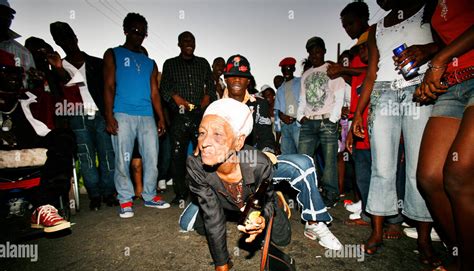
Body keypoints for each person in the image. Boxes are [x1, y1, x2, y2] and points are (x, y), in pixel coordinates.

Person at [181, 55, 341, 250]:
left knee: (304, 163)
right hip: (220, 172)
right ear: (225, 79)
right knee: (187, 224)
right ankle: (218, 203)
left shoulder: (260, 103)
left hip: (256, 166)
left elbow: (266, 137)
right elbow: (203, 140)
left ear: (249, 80)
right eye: (232, 76)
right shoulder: (214, 105)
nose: (237, 80)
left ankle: (314, 222)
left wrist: (263, 164)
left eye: (242, 76)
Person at [351, 0, 438, 256]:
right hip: (382, 93)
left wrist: (428, 49)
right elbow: (371, 74)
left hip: (419, 88)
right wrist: (358, 113)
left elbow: (449, 41)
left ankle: (423, 239)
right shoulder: (377, 28)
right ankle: (377, 232)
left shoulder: (428, 7)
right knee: (382, 166)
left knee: (416, 167)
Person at [188, 98, 291, 271]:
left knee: (282, 238)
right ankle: (203, 207)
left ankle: (277, 196)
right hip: (222, 203)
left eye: (217, 134)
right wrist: (222, 268)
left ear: (238, 141)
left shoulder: (260, 164)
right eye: (202, 133)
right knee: (201, 227)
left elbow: (264, 204)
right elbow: (212, 216)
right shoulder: (195, 165)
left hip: (254, 202)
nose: (205, 142)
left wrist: (261, 218)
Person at [413, 0, 474, 271]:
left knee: (459, 174)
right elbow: (446, 42)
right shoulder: (434, 6)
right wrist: (432, 58)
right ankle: (462, 257)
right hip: (453, 83)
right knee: (429, 176)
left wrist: (439, 61)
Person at [0, 49, 74, 232]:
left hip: (30, 140)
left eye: (17, 74)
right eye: (7, 73)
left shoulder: (30, 97)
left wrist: (53, 73)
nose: (13, 78)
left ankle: (43, 207)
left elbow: (62, 101)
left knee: (64, 137)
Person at [103, 12, 169, 218]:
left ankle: (149, 195)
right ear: (126, 31)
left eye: (142, 32)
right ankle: (125, 199)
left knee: (152, 156)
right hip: (122, 114)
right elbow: (108, 86)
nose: (139, 35)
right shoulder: (113, 54)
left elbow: (155, 93)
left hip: (146, 115)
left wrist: (161, 118)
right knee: (122, 159)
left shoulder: (150, 62)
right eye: (135, 31)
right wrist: (108, 116)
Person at [49, 21, 117, 211]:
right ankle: (94, 195)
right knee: (85, 157)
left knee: (107, 154)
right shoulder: (57, 67)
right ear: (57, 42)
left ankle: (108, 192)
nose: (66, 42)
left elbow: (110, 89)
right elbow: (58, 96)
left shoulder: (97, 63)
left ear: (75, 37)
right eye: (60, 39)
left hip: (101, 115)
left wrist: (110, 115)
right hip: (76, 117)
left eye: (68, 37)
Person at [160, 31, 215, 205]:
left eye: (192, 40)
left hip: (200, 115)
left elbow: (211, 87)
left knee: (204, 153)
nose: (189, 43)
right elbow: (164, 89)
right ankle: (181, 193)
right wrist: (176, 98)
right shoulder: (170, 64)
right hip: (179, 116)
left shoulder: (203, 63)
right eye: (185, 41)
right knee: (177, 155)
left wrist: (207, 97)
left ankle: (204, 190)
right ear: (179, 44)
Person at [297, 36, 345, 208]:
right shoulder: (306, 75)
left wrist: (332, 120)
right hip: (308, 123)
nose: (315, 55)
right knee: (303, 160)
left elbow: (339, 98)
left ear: (324, 51)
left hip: (327, 121)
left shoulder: (332, 70)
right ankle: (306, 192)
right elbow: (302, 99)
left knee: (330, 160)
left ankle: (331, 195)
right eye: (311, 52)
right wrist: (299, 116)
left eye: (318, 51)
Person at [0, 0, 35, 87]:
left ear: (10, 19)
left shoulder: (24, 53)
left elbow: (32, 86)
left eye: (6, 15)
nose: (2, 18)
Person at [274, 57, 301, 155]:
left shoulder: (301, 82)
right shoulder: (280, 89)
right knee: (287, 156)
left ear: (294, 69)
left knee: (302, 154)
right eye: (284, 69)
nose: (286, 71)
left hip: (299, 124)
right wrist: (282, 116)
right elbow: (277, 111)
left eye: (289, 68)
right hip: (285, 127)